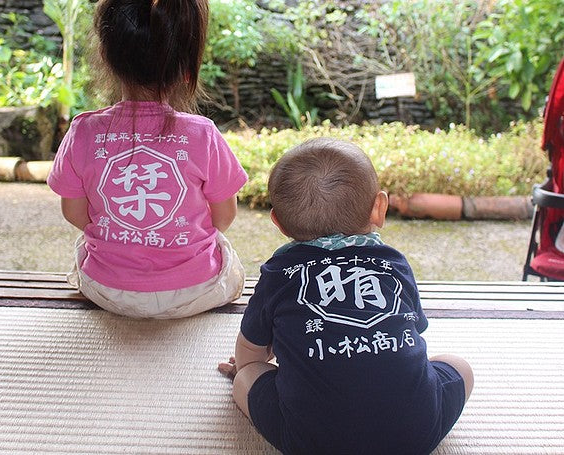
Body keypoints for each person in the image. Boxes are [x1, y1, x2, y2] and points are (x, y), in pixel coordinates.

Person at [218, 138, 474, 454]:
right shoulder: (393, 263)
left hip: (310, 440)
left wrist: (245, 369)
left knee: (249, 377)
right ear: (379, 207)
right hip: (416, 434)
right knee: (459, 366)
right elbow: (414, 332)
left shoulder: (279, 272)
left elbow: (250, 347)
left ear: (278, 223)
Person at [47, 0, 247, 319]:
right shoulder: (202, 134)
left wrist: (124, 237)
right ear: (187, 70)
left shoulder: (83, 131)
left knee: (84, 247)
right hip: (194, 291)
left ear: (105, 57)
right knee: (228, 256)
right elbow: (223, 217)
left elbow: (75, 214)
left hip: (108, 290)